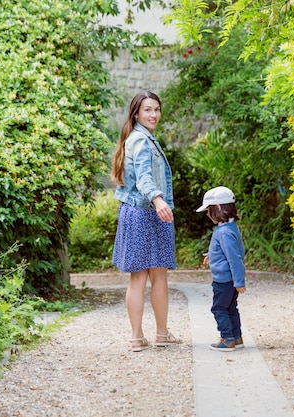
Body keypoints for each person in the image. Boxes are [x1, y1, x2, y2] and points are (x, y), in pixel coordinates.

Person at [111, 91, 180, 352]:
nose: (153, 115)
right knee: (141, 277)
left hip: (148, 212)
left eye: (157, 109)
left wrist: (158, 202)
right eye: (148, 110)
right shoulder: (140, 140)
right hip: (145, 211)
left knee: (157, 275)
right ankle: (138, 336)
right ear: (136, 113)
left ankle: (158, 334)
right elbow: (143, 178)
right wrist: (159, 200)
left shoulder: (142, 138)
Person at [196, 186, 246, 351]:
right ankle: (237, 337)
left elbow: (234, 258)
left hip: (224, 280)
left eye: (208, 211)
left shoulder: (223, 232)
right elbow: (228, 251)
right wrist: (212, 254)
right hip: (229, 279)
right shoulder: (230, 228)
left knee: (219, 308)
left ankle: (226, 339)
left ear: (217, 208)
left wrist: (239, 281)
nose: (208, 215)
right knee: (231, 307)